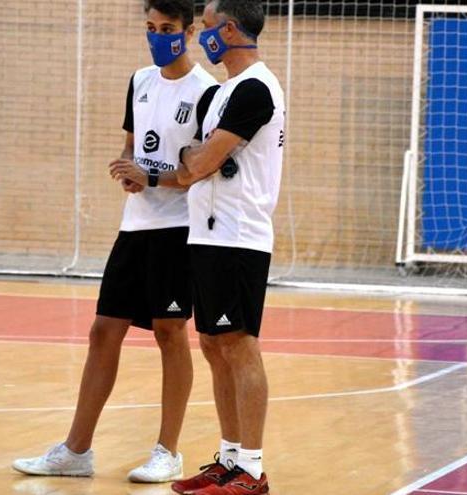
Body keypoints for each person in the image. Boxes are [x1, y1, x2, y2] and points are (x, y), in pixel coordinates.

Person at [12, 0, 218, 484]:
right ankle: (76, 450)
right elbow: (133, 145)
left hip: (180, 229)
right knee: (103, 330)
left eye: (167, 28)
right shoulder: (140, 81)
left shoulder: (208, 92)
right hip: (136, 226)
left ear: (188, 32)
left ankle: (168, 451)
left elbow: (199, 170)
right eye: (150, 27)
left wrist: (152, 176)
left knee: (171, 333)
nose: (157, 36)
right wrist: (128, 170)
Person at [174, 1, 285, 493]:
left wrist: (199, 158)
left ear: (231, 29)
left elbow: (201, 162)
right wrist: (197, 158)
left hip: (239, 235)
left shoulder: (257, 88)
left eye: (207, 26)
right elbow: (189, 164)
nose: (201, 35)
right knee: (213, 345)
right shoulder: (219, 94)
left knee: (239, 345)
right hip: (207, 233)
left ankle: (254, 470)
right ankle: (230, 457)